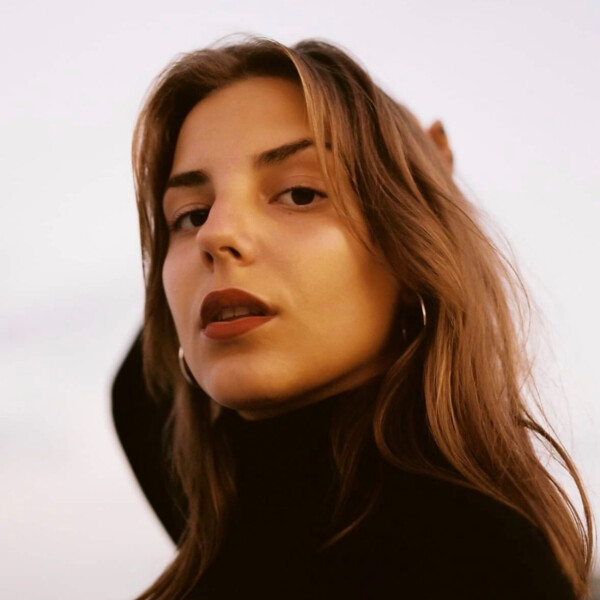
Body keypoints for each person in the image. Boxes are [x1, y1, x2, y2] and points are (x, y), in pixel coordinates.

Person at [111, 37, 594, 599]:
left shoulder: (473, 558)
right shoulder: (234, 523)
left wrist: (419, 177)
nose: (215, 235)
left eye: (299, 194)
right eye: (192, 214)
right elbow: (142, 397)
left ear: (409, 252)